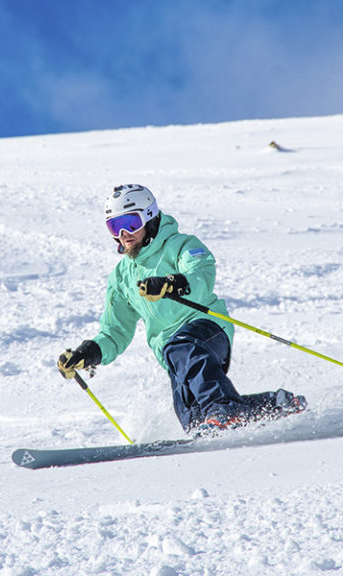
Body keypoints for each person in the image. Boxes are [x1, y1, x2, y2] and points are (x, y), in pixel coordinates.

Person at [57, 184, 306, 437]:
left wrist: (172, 284)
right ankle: (274, 405)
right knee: (194, 419)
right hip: (171, 354)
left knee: (186, 353)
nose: (123, 234)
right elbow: (114, 333)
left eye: (131, 223)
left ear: (150, 218)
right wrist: (88, 354)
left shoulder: (181, 245)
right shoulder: (122, 277)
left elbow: (202, 276)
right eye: (114, 226)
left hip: (206, 329)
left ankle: (225, 409)